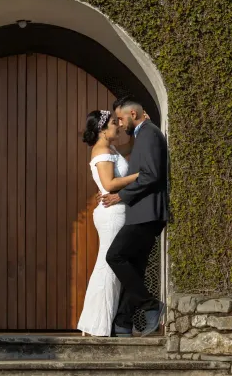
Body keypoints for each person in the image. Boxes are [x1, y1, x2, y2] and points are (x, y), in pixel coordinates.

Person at [102, 96, 169, 337]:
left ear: (133, 114)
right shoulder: (143, 134)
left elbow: (151, 175)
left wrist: (121, 196)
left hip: (146, 213)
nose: (119, 124)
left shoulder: (149, 134)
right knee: (136, 269)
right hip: (143, 213)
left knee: (116, 256)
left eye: (120, 118)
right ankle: (123, 322)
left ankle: (151, 306)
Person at [77, 109, 139, 337]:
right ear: (102, 129)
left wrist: (135, 121)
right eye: (114, 123)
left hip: (117, 211)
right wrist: (140, 175)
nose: (118, 126)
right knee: (108, 267)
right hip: (112, 214)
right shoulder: (102, 151)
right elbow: (110, 184)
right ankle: (96, 324)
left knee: (110, 266)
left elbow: (131, 146)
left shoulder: (111, 148)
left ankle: (99, 323)